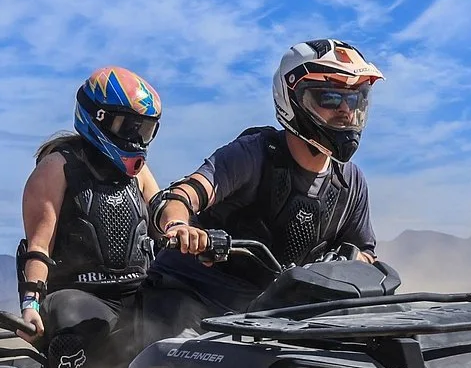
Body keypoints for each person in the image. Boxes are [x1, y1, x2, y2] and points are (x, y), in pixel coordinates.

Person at [139, 39, 384, 342]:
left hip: (271, 314)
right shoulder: (254, 154)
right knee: (177, 363)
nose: (346, 112)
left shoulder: (351, 181)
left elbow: (365, 254)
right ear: (292, 99)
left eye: (355, 100)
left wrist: (352, 263)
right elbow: (182, 196)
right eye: (331, 98)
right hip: (197, 296)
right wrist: (179, 227)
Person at [14, 65, 163, 368]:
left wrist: (195, 236)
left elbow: (165, 218)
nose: (139, 140)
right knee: (86, 340)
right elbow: (40, 240)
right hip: (75, 293)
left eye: (146, 130)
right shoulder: (58, 167)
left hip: (137, 291)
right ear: (99, 118)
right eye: (130, 128)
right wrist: (32, 301)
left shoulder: (138, 174)